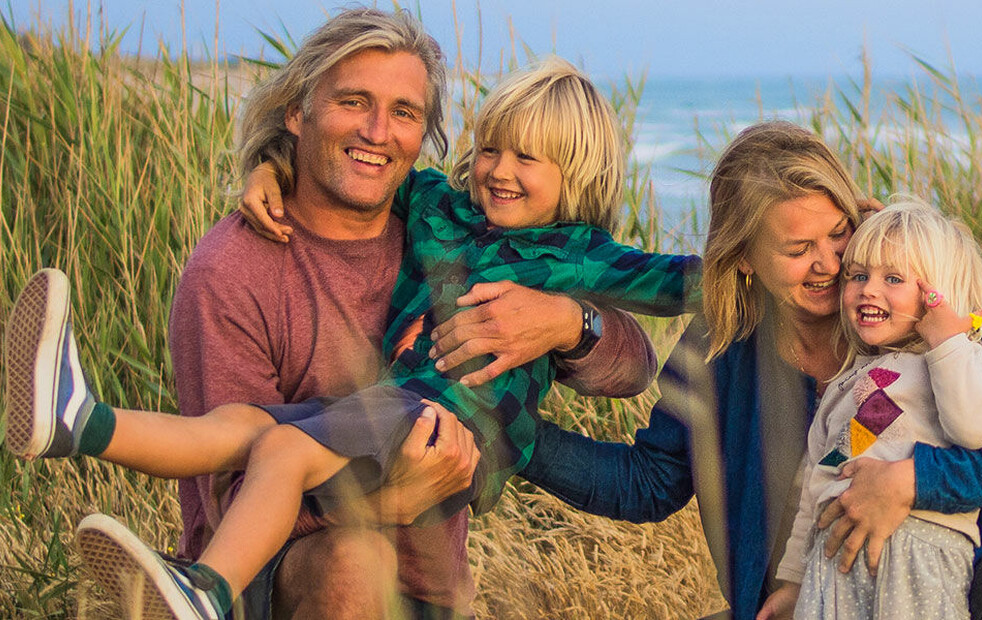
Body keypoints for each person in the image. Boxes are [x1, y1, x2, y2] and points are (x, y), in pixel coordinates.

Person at [2, 9, 659, 619]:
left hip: (430, 589)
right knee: (354, 554)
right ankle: (92, 438)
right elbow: (232, 492)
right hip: (263, 577)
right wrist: (388, 503)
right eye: (353, 102)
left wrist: (569, 323)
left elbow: (631, 364)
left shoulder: (443, 231)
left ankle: (77, 421)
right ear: (298, 112)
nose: (378, 132)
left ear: (421, 137)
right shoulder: (233, 270)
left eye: (404, 111)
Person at [508, 121, 982, 620]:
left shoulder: (927, 311)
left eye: (839, 234)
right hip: (803, 600)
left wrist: (912, 482)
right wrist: (508, 434)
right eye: (798, 248)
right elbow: (647, 484)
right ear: (745, 262)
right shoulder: (717, 348)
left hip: (940, 588)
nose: (830, 265)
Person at [760, 199, 982, 619]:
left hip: (917, 552)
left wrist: (946, 342)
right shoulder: (855, 384)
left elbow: (975, 428)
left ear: (937, 295)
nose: (868, 289)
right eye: (858, 275)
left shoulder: (951, 363)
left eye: (893, 278)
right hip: (834, 557)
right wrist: (793, 581)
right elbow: (821, 475)